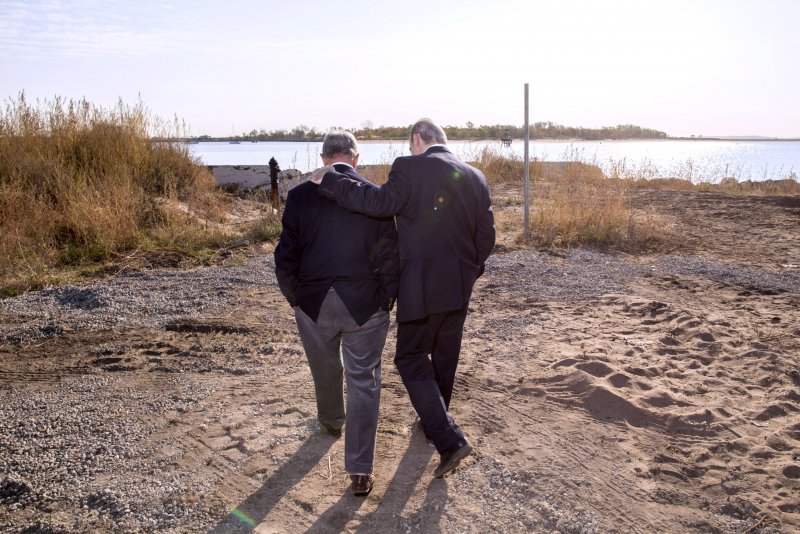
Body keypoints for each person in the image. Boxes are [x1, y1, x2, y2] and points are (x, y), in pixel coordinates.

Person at [310, 118, 495, 478]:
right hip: (458, 289)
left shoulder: (409, 166)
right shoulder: (475, 175)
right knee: (444, 355)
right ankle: (434, 420)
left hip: (420, 287)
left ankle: (450, 439)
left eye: (410, 145)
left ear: (417, 140)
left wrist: (332, 177)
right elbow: (486, 238)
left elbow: (378, 203)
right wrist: (467, 274)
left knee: (410, 358)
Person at [274, 130, 398, 496]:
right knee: (364, 381)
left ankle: (331, 421)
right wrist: (385, 300)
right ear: (355, 159)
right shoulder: (374, 196)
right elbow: (391, 255)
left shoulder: (298, 196)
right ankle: (360, 470)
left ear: (324, 157)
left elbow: (285, 254)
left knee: (325, 366)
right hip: (364, 303)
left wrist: (295, 297)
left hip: (313, 302)